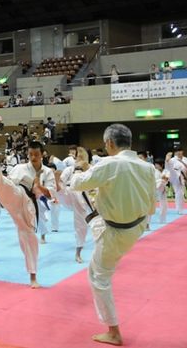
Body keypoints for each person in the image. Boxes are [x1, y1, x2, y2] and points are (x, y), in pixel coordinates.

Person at [70, 124, 155, 346]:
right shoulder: (146, 167)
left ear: (109, 143)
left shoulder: (109, 163)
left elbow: (76, 184)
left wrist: (79, 168)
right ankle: (95, 219)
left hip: (116, 231)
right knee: (94, 213)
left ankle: (114, 332)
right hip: (136, 227)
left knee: (98, 276)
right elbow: (151, 206)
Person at [0, 142, 46, 289]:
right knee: (10, 189)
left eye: (36, 154)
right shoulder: (20, 168)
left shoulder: (47, 171)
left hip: (29, 203)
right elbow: (12, 184)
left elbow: (47, 193)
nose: (33, 157)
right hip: (18, 194)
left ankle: (33, 275)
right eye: (30, 154)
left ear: (42, 154)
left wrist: (38, 183)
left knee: (28, 237)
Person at [165, 149, 186, 214]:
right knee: (179, 192)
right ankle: (179, 209)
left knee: (181, 193)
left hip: (183, 176)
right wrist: (167, 158)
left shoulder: (185, 159)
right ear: (175, 153)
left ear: (182, 152)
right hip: (175, 175)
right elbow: (168, 166)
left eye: (180, 151)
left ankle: (179, 208)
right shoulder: (173, 159)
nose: (179, 153)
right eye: (177, 152)